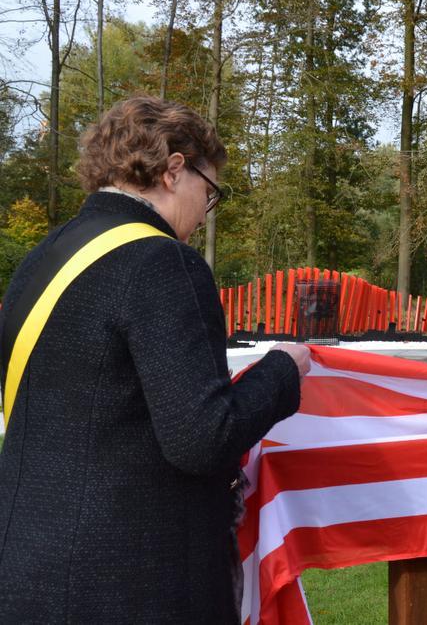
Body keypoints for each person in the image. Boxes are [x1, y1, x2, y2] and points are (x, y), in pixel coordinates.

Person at [0, 96, 311, 623]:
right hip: (130, 579)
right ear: (173, 171)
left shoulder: (46, 256)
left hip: (28, 563)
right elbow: (202, 438)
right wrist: (283, 369)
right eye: (209, 192)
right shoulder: (161, 260)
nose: (205, 209)